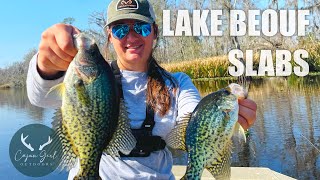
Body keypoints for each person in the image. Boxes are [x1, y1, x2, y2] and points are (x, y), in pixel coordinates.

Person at [26, 0, 257, 179]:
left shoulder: (178, 83)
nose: (131, 36)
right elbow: (38, 96)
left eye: (141, 28)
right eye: (119, 30)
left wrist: (221, 119)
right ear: (109, 36)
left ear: (155, 33)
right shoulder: (93, 76)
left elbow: (193, 118)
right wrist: (46, 65)